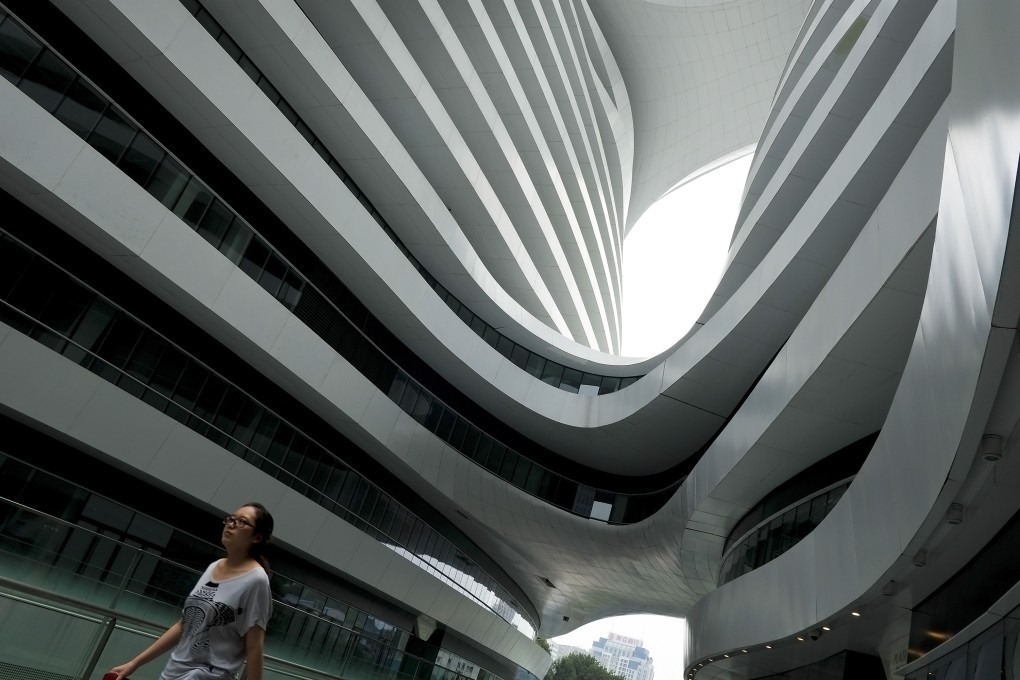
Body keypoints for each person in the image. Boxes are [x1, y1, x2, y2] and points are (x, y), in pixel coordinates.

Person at [109, 503, 274, 680]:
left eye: (242, 522)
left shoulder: (256, 580)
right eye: (231, 519)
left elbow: (255, 646)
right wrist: (135, 663)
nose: (231, 524)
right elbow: (184, 624)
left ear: (257, 537)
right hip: (173, 672)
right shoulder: (213, 568)